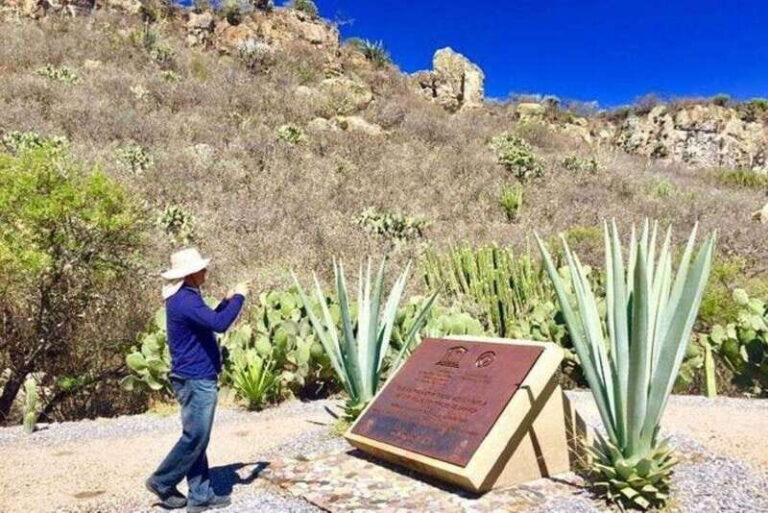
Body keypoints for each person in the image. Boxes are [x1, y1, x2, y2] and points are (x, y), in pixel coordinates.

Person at [145, 248, 248, 512]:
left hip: (193, 376)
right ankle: (162, 480)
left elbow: (208, 320)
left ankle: (201, 495)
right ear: (190, 274)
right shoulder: (186, 300)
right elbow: (220, 324)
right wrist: (239, 297)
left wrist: (225, 302)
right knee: (196, 437)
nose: (206, 271)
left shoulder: (185, 297)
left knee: (197, 437)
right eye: (202, 269)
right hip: (195, 378)